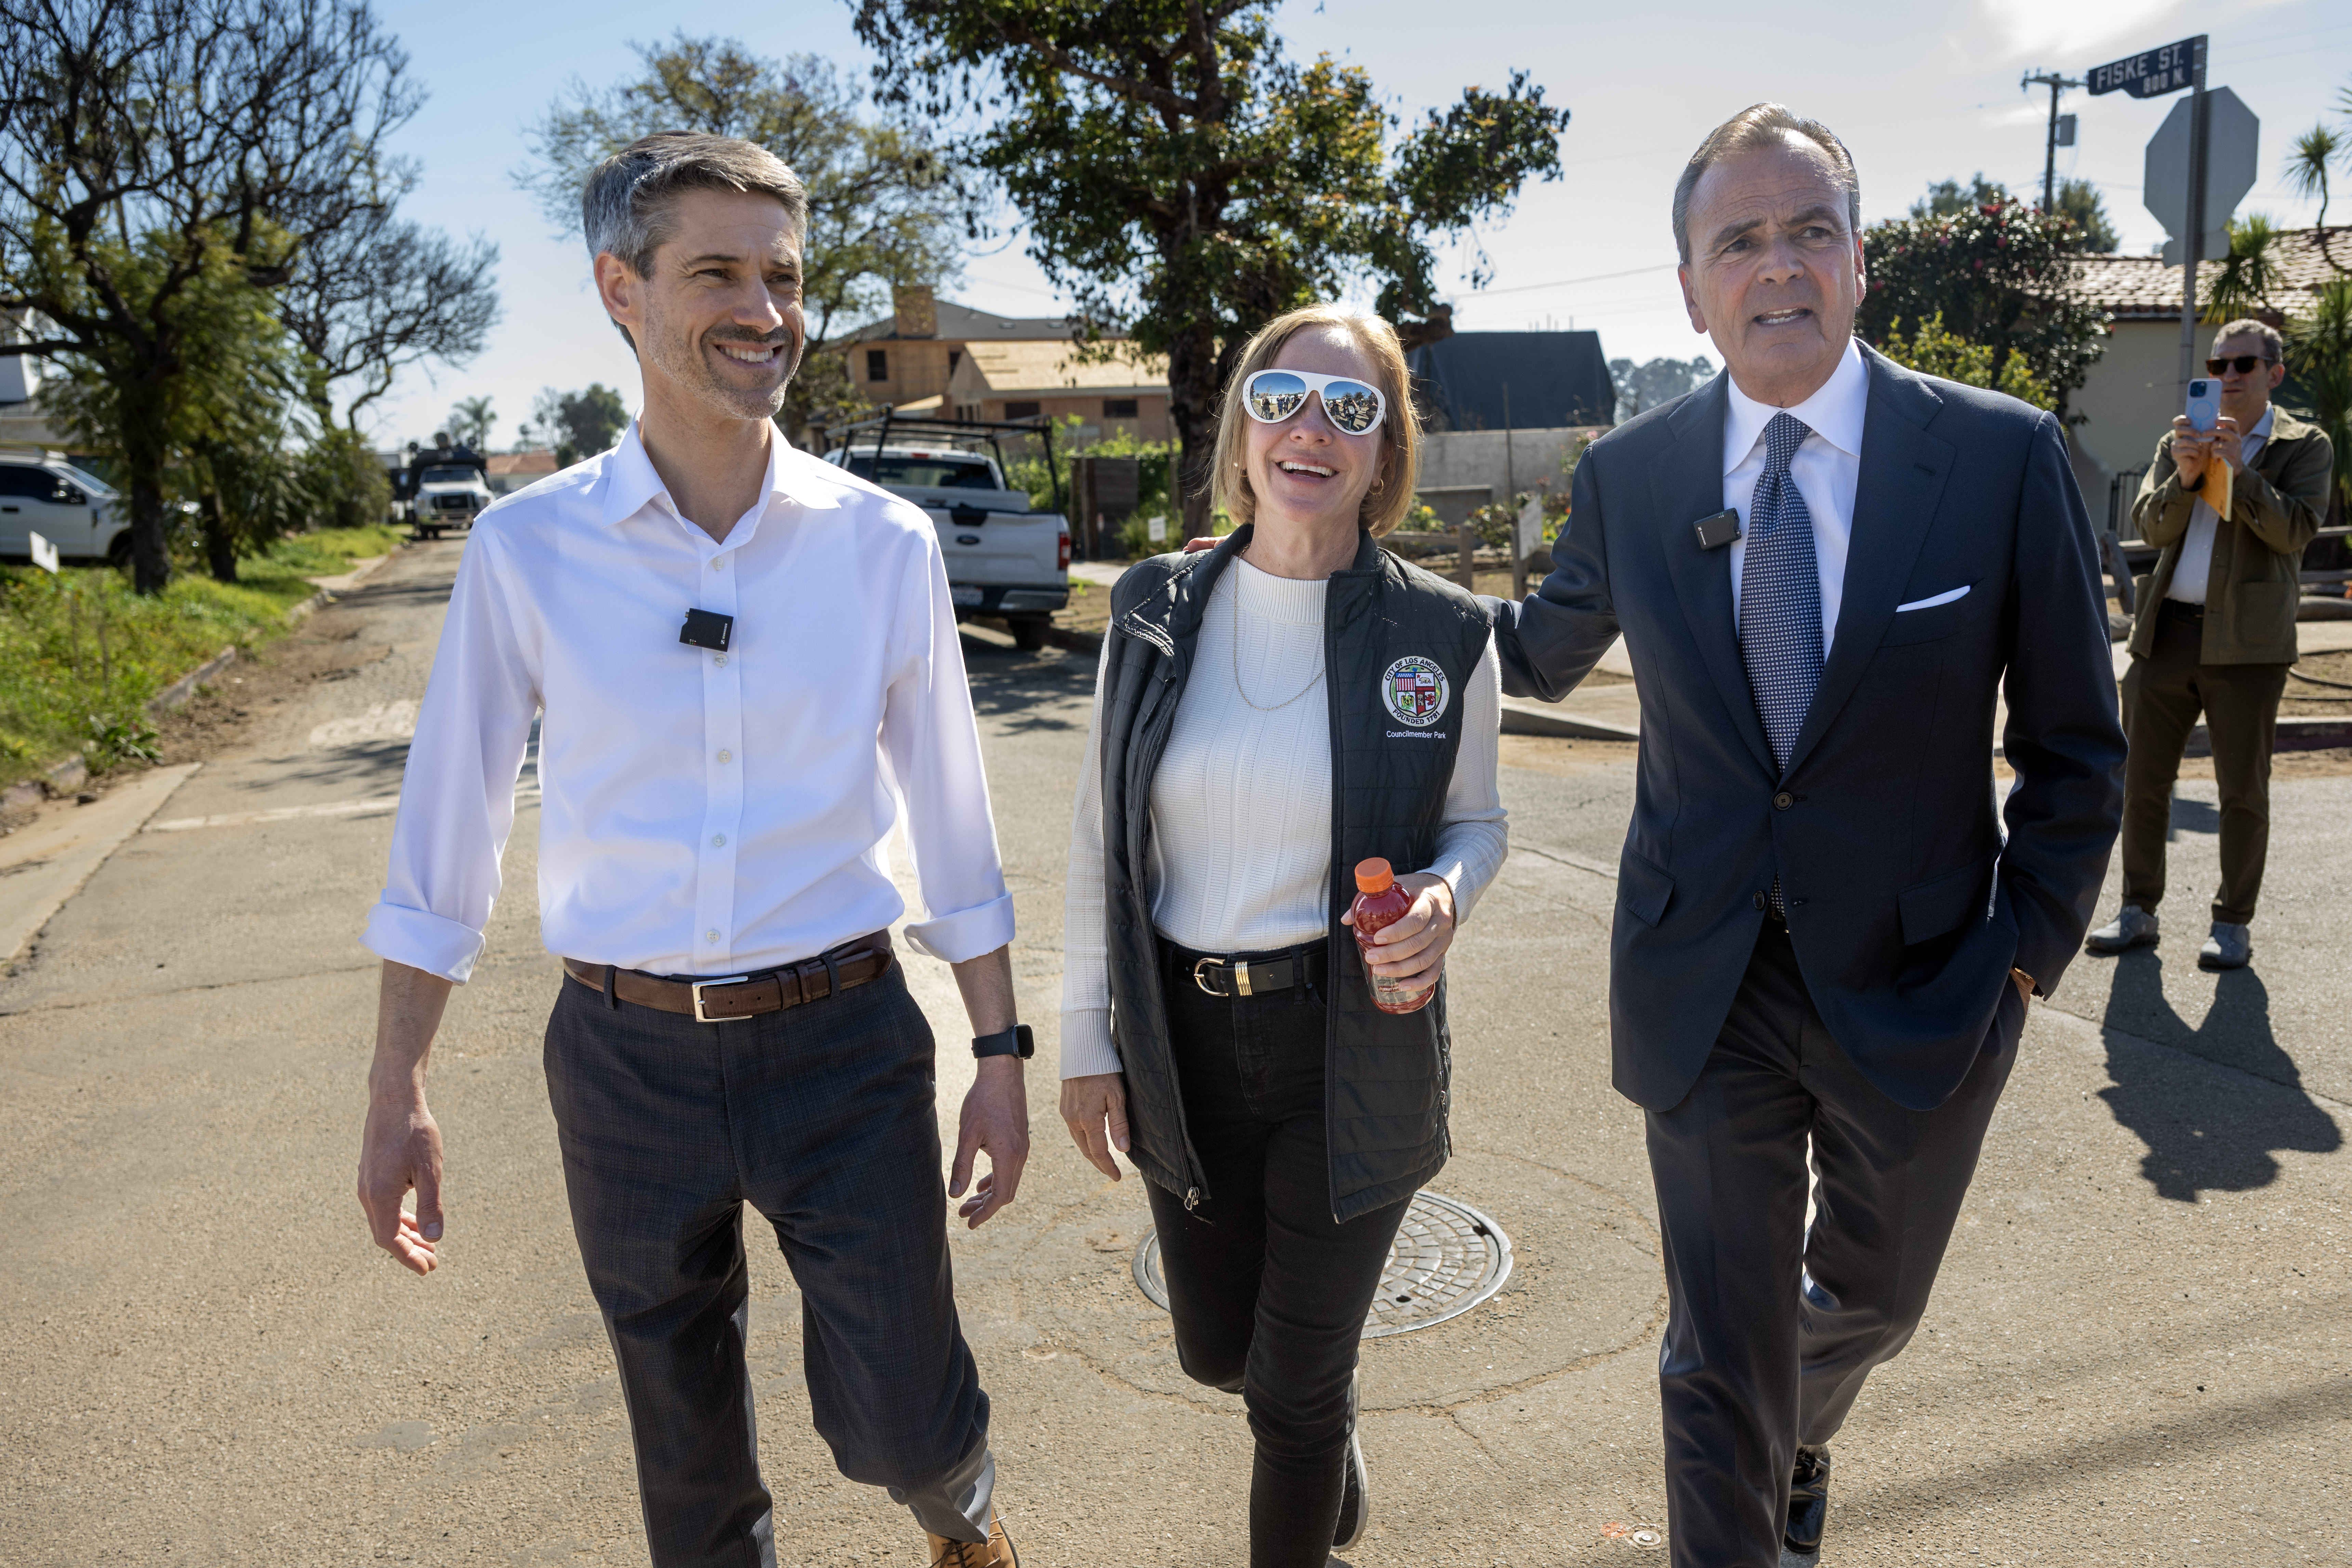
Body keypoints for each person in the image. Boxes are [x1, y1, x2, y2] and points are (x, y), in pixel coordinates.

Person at [354, 133, 1029, 1568]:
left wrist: (1002, 1055)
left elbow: (955, 826)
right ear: (620, 287)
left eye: (782, 276)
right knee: (687, 1457)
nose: (765, 310)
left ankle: (959, 1517)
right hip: (624, 1058)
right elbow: (448, 831)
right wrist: (397, 1081)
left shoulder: (883, 544)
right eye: (717, 271)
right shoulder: (529, 550)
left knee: (904, 1423)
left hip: (844, 1041)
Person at [1487, 105, 2124, 1565]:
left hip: (1926, 981)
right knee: (1717, 1347)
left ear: (1859, 261)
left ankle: (1805, 1423)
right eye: (1739, 241)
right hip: (1702, 973)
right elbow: (1528, 653)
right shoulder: (1631, 476)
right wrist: (1325, 575)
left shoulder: (1996, 457)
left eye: (1809, 231)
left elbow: (2079, 748)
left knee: (1874, 1302)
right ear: (1690, 285)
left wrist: (2020, 958)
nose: (1777, 267)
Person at [1057, 303, 1507, 1565]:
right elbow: (1101, 839)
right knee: (1221, 1353)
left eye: (1350, 409)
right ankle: (1321, 1426)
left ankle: (1310, 1436)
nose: (1310, 428)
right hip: (1180, 1036)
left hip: (1346, 1040)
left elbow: (1476, 820)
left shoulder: (1439, 633)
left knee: (1289, 1396)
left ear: (1384, 449)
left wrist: (1442, 896)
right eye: (1281, 399)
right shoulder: (1151, 609)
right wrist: (1083, 1041)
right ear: (1242, 428)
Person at [2085, 318, 2333, 970]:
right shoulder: (2181, 439)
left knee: (2241, 792)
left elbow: (2296, 533)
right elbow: (2148, 525)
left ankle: (2232, 921)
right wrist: (2187, 471)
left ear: (2273, 374)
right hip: (2165, 634)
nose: (2227, 378)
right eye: (2218, 365)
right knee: (2140, 783)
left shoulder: (2303, 444)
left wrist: (2241, 471)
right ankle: (2138, 909)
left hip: (2248, 646)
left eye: (2242, 366)